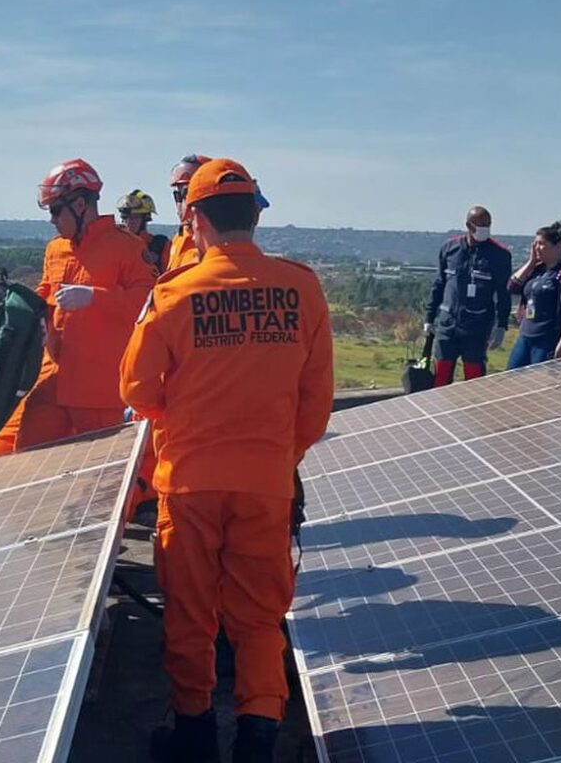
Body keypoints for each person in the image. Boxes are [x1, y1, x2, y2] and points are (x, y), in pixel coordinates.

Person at [119, 158, 333, 761]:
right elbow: (316, 403)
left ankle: (193, 738)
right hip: (266, 483)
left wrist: (182, 421)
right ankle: (258, 740)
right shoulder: (302, 288)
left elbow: (135, 390)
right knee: (260, 617)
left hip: (188, 482)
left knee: (190, 614)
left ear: (195, 220)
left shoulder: (174, 291)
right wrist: (274, 455)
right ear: (255, 216)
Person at [19, 158, 156, 451]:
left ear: (80, 205)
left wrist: (96, 297)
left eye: (56, 210)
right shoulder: (56, 249)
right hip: (55, 379)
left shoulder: (127, 248)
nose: (52, 220)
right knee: (26, 459)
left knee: (104, 477)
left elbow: (149, 303)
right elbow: (43, 296)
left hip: (100, 392)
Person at [425, 206, 512, 386]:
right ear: (468, 225)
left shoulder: (499, 255)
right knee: (440, 376)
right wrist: (429, 317)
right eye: (481, 225)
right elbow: (439, 284)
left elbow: (504, 293)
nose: (485, 229)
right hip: (447, 324)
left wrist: (501, 325)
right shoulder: (450, 248)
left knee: (473, 381)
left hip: (476, 328)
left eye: (488, 225)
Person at [508, 220, 561, 369]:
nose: (537, 248)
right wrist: (531, 262)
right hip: (527, 334)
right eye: (535, 244)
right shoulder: (536, 270)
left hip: (549, 337)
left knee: (540, 380)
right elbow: (512, 286)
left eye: (541, 244)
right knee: (512, 376)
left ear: (558, 246)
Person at [164, 155, 212, 272]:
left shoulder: (211, 240)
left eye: (184, 193)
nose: (180, 201)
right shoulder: (180, 237)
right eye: (177, 195)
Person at [118, 189, 166, 274]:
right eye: (126, 217)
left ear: (145, 219)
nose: (129, 221)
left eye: (135, 217)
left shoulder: (160, 245)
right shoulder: (116, 244)